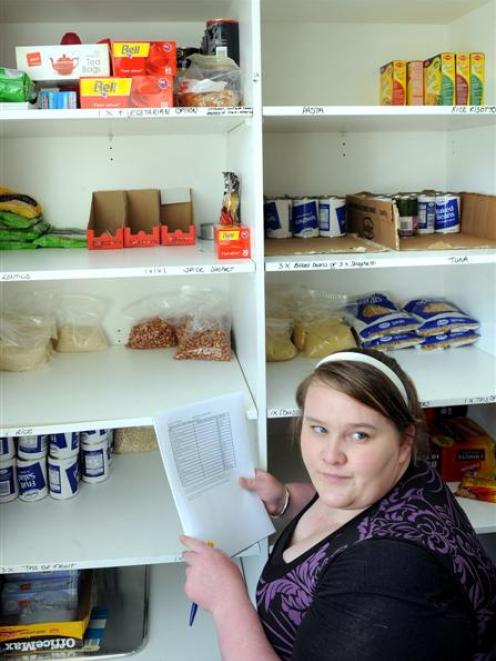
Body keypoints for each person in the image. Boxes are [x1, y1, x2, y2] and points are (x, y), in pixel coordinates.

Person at [181, 348, 496, 660]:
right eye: (319, 428)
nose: (330, 456)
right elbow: (354, 519)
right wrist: (287, 501)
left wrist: (226, 602)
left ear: (404, 442)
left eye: (359, 435)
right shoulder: (407, 476)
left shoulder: (382, 582)